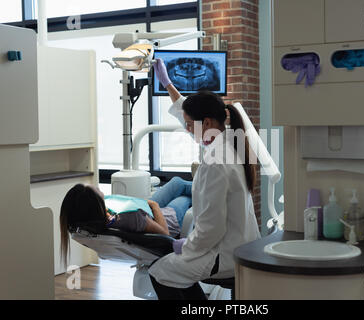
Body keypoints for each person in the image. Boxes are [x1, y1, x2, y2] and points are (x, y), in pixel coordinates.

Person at [148, 59, 261, 300]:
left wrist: (186, 247)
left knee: (160, 271)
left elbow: (212, 228)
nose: (187, 130)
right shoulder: (231, 141)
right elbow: (186, 113)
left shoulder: (215, 161)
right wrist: (168, 85)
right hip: (241, 245)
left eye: (189, 126)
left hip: (225, 255)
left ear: (207, 123)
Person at [60, 176, 192, 268]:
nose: (102, 192)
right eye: (99, 192)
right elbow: (165, 233)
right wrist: (155, 206)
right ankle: (210, 186)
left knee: (177, 183)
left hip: (147, 215)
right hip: (168, 219)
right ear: (95, 206)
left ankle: (203, 182)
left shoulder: (90, 224)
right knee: (186, 196)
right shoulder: (128, 217)